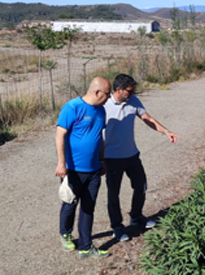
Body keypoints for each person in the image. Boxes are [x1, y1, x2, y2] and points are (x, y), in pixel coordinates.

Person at [103, 73, 180, 242]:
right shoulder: (104, 105)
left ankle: (136, 216)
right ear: (118, 90)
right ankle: (117, 226)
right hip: (112, 158)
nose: (132, 94)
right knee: (113, 194)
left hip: (131, 154)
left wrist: (166, 131)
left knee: (141, 186)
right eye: (129, 91)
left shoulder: (133, 101)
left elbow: (147, 118)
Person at [55, 77, 111, 259]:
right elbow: (59, 136)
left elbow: (99, 136)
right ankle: (65, 234)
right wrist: (61, 164)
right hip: (73, 169)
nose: (109, 98)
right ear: (97, 92)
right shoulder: (72, 107)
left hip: (94, 169)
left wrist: (102, 160)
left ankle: (86, 246)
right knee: (70, 203)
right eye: (107, 94)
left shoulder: (101, 110)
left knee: (88, 207)